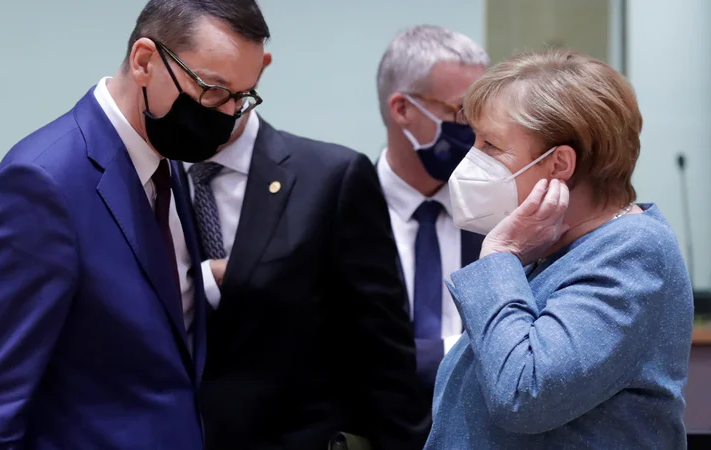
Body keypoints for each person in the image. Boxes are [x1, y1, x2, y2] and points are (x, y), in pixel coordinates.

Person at [0, 1, 270, 448]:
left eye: (241, 98)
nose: (228, 117)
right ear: (145, 62)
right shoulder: (41, 185)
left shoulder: (165, 162)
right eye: (212, 90)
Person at [425, 49, 694, 449]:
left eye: (491, 146)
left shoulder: (634, 251)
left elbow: (524, 392)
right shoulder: (553, 246)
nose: (470, 161)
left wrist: (500, 254)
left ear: (559, 165)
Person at [181, 56, 428, 450]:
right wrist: (206, 277)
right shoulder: (148, 178)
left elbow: (383, 352)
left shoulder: (331, 178)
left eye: (220, 90)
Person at [374, 25, 489, 412]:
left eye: (481, 114)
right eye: (461, 112)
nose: (475, 130)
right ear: (402, 109)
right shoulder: (338, 211)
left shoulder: (501, 215)